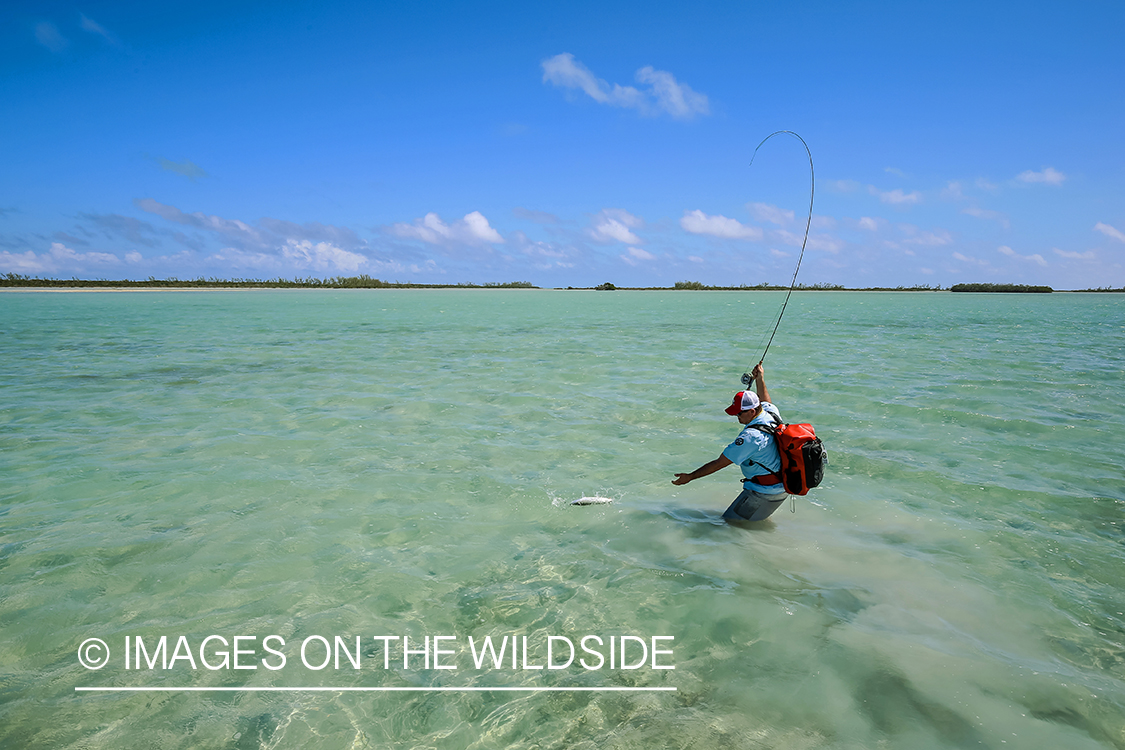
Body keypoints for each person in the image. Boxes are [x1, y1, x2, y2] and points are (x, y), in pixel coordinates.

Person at [672, 363, 788, 521]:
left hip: (763, 492)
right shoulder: (770, 413)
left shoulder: (751, 437)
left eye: (739, 413)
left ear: (752, 411)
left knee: (729, 525)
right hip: (780, 486)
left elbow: (719, 463)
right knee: (747, 529)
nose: (737, 417)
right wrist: (760, 378)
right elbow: (765, 399)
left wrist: (690, 477)